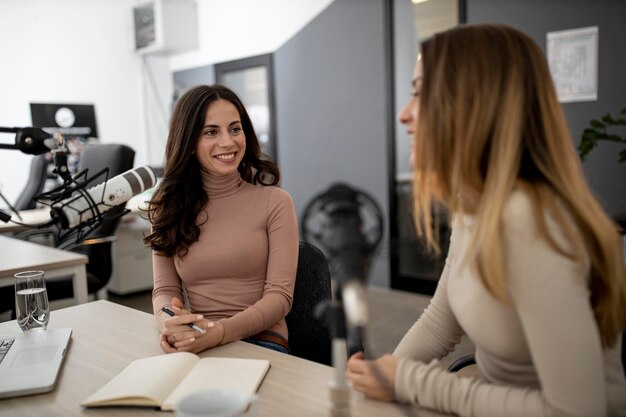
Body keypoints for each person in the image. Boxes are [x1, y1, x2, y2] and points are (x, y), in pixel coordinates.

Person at [346, 24, 626, 417]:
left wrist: (409, 380)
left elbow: (576, 412)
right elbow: (441, 321)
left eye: (420, 92)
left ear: (473, 105)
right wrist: (383, 376)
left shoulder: (532, 223)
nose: (404, 114)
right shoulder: (474, 203)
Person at [144, 84, 298, 355]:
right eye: (211, 132)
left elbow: (279, 298)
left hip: (261, 340)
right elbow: (165, 290)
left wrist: (220, 333)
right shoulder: (167, 207)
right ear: (189, 142)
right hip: (200, 338)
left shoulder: (276, 202)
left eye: (235, 129)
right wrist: (168, 322)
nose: (228, 142)